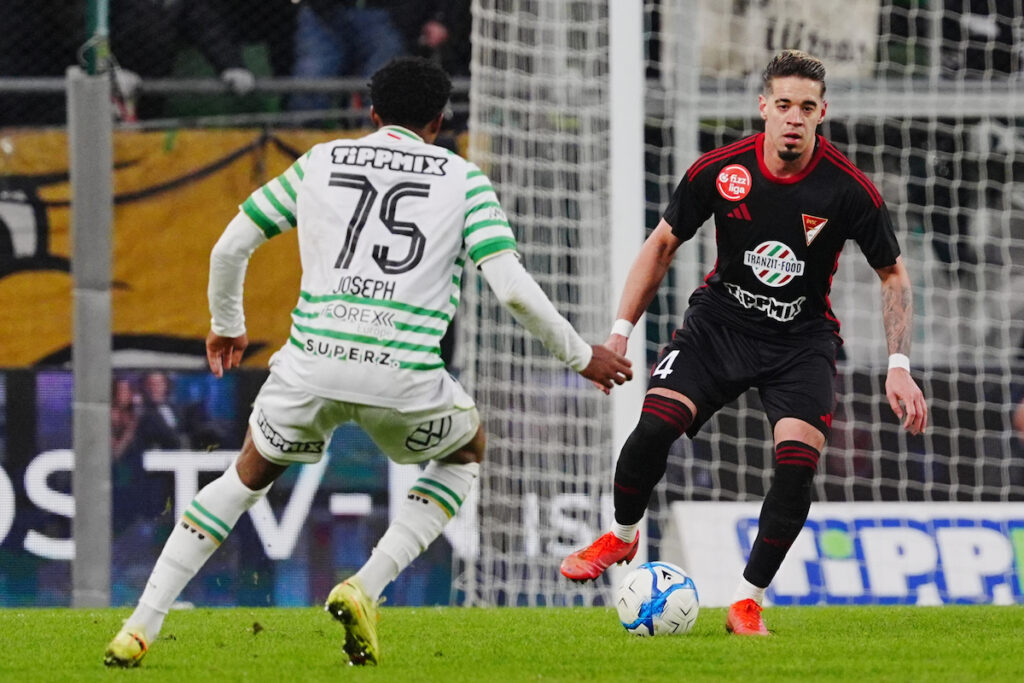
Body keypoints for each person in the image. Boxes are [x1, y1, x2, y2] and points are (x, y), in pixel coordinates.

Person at [104, 56, 632, 668]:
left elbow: (230, 246)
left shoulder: (321, 160)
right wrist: (580, 356)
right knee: (465, 452)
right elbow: (512, 290)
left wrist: (228, 325)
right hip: (401, 374)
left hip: (313, 364)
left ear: (372, 113)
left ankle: (139, 626)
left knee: (245, 476)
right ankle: (366, 586)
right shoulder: (464, 180)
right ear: (439, 121)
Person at [560, 50, 928, 636]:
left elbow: (893, 274)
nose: (793, 118)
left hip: (800, 342)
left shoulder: (848, 188)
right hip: (720, 328)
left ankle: (747, 600)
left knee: (797, 465)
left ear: (822, 113)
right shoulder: (720, 170)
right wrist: (620, 333)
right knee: (654, 426)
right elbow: (661, 246)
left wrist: (899, 365)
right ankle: (621, 536)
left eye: (805, 107)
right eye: (783, 105)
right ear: (763, 107)